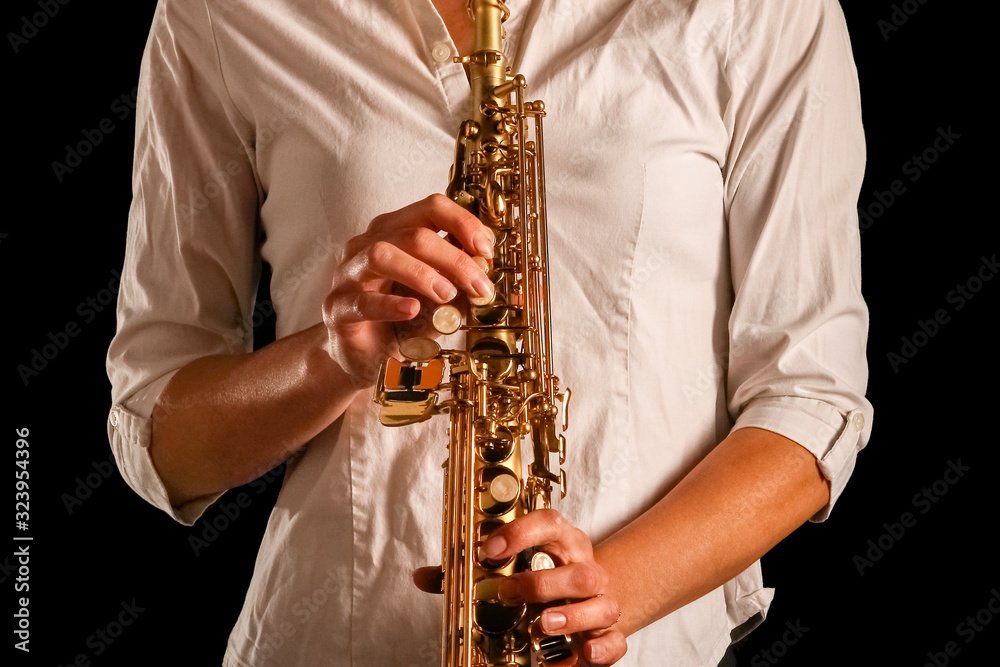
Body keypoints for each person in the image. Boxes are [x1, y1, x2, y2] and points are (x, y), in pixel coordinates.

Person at [106, 0, 872, 665]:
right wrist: (333, 357)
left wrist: (607, 594)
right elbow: (161, 442)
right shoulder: (217, 12)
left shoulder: (762, 11)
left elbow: (809, 400)